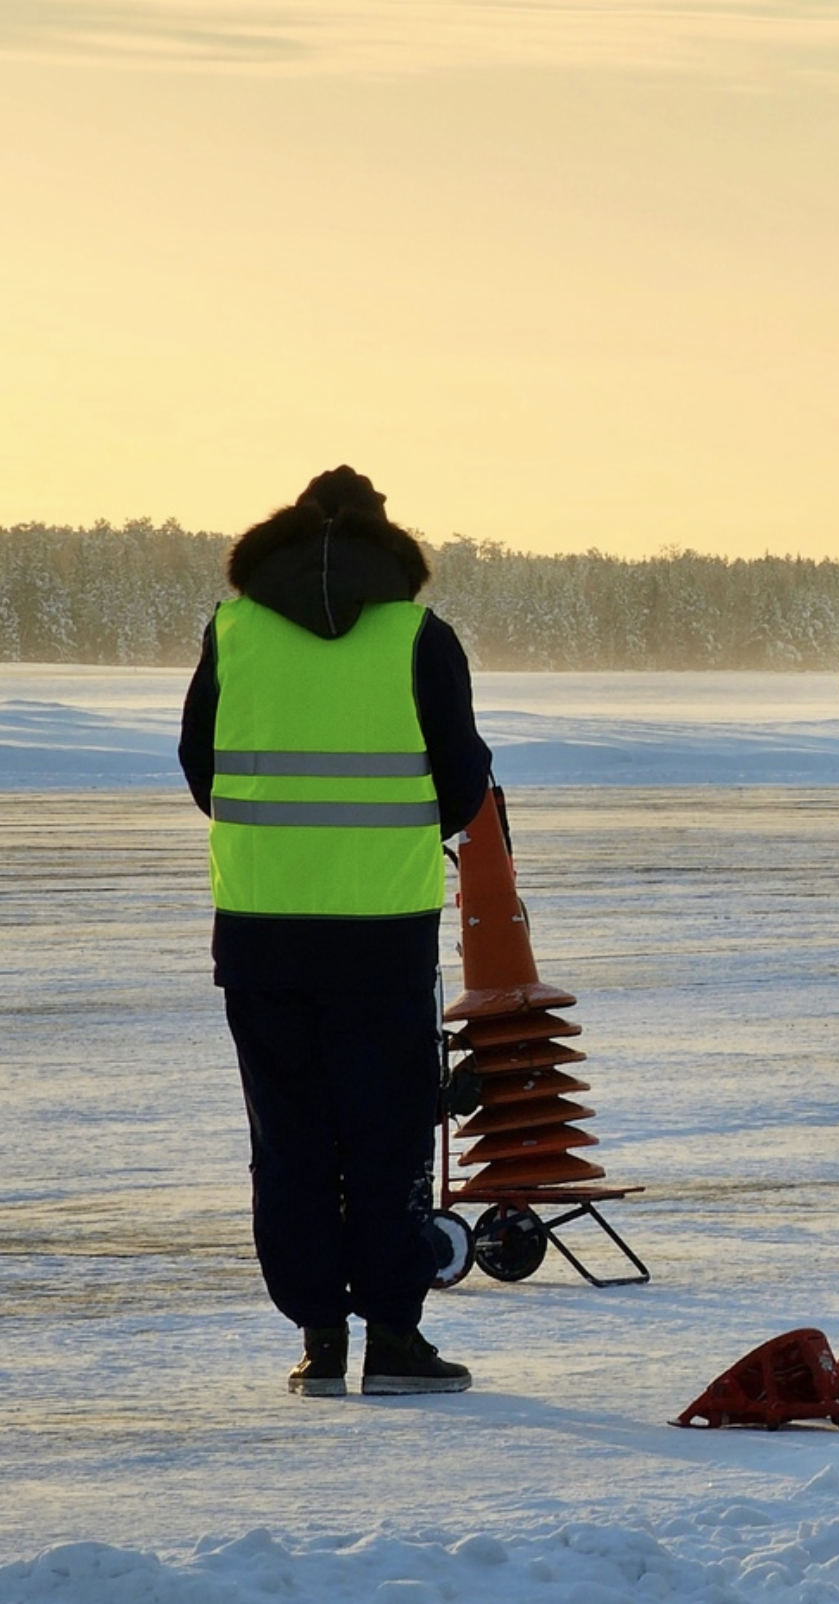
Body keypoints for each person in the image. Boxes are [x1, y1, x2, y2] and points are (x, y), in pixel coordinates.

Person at [179, 466, 493, 1397]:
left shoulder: (232, 632)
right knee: (386, 1133)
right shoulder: (415, 635)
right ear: (383, 541)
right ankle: (394, 1337)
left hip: (261, 930)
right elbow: (462, 772)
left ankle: (319, 1339)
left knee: (289, 1137)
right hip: (383, 929)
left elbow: (203, 767)